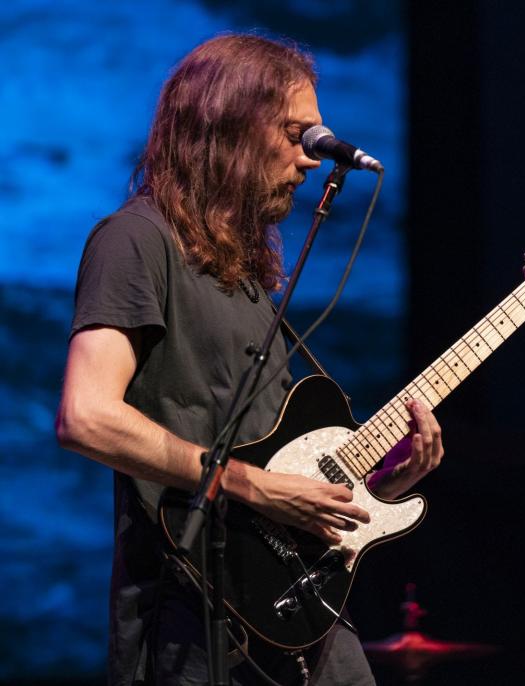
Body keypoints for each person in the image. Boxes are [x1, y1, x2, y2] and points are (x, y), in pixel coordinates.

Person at [55, 34, 444, 686]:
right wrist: (249, 483)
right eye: (296, 135)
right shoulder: (135, 240)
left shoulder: (243, 278)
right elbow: (86, 416)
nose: (312, 159)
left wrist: (374, 491)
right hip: (194, 615)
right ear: (228, 125)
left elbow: (275, 469)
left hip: (298, 612)